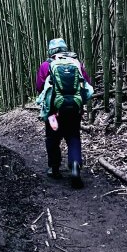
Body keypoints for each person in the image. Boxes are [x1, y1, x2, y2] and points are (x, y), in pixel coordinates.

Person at [36, 38, 91, 188]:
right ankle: (74, 165)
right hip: (74, 109)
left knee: (52, 138)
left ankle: (54, 168)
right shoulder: (76, 63)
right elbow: (88, 85)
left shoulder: (46, 65)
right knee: (73, 137)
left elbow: (39, 87)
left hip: (54, 111)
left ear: (51, 51)